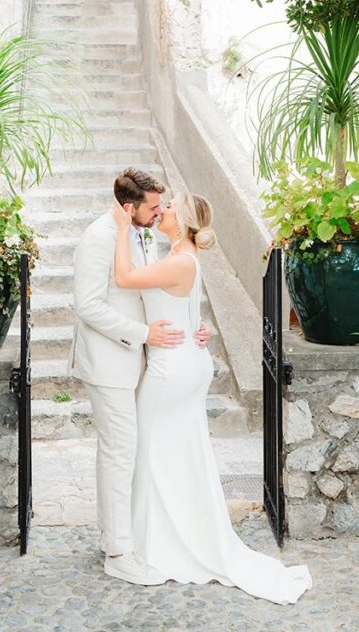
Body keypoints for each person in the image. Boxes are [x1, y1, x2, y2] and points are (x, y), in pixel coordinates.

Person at [112, 189, 312, 605]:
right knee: (177, 455)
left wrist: (119, 229)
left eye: (169, 208)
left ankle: (156, 547)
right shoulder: (181, 258)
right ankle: (164, 538)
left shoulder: (182, 260)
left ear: (182, 220)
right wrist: (201, 327)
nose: (163, 210)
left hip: (173, 371)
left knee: (150, 452)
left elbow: (125, 279)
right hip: (186, 361)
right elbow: (183, 309)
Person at [69, 167, 212, 586]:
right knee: (119, 452)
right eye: (153, 206)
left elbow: (165, 291)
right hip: (110, 362)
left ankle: (115, 534)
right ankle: (118, 553)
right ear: (129, 207)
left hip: (144, 361)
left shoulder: (145, 233)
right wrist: (142, 334)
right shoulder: (100, 237)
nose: (159, 212)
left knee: (125, 453)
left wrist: (192, 326)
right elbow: (88, 305)